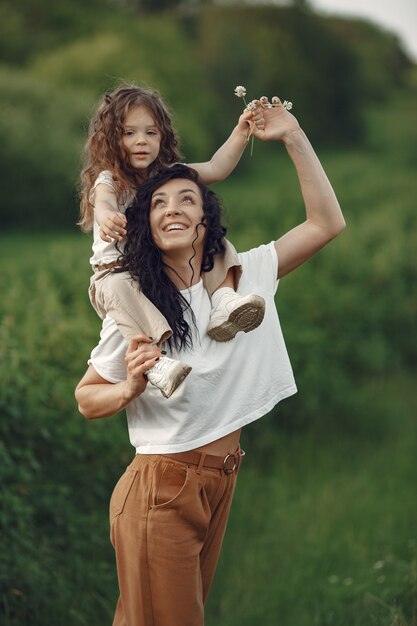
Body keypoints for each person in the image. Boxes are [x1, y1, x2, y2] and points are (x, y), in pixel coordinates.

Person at [75, 95, 346, 626]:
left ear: (206, 216)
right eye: (158, 204)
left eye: (186, 200)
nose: (173, 207)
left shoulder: (244, 277)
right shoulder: (132, 308)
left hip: (221, 479)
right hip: (160, 487)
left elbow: (326, 224)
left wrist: (292, 135)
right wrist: (129, 388)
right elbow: (87, 398)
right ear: (144, 227)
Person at [78, 84, 266, 398]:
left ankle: (224, 302)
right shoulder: (108, 180)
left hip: (155, 267)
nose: (141, 141)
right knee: (119, 286)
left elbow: (216, 168)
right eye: (129, 133)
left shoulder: (167, 176)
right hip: (115, 273)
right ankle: (155, 362)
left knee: (211, 237)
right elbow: (105, 202)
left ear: (163, 138)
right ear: (112, 140)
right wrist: (108, 216)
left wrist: (241, 131)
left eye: (151, 133)